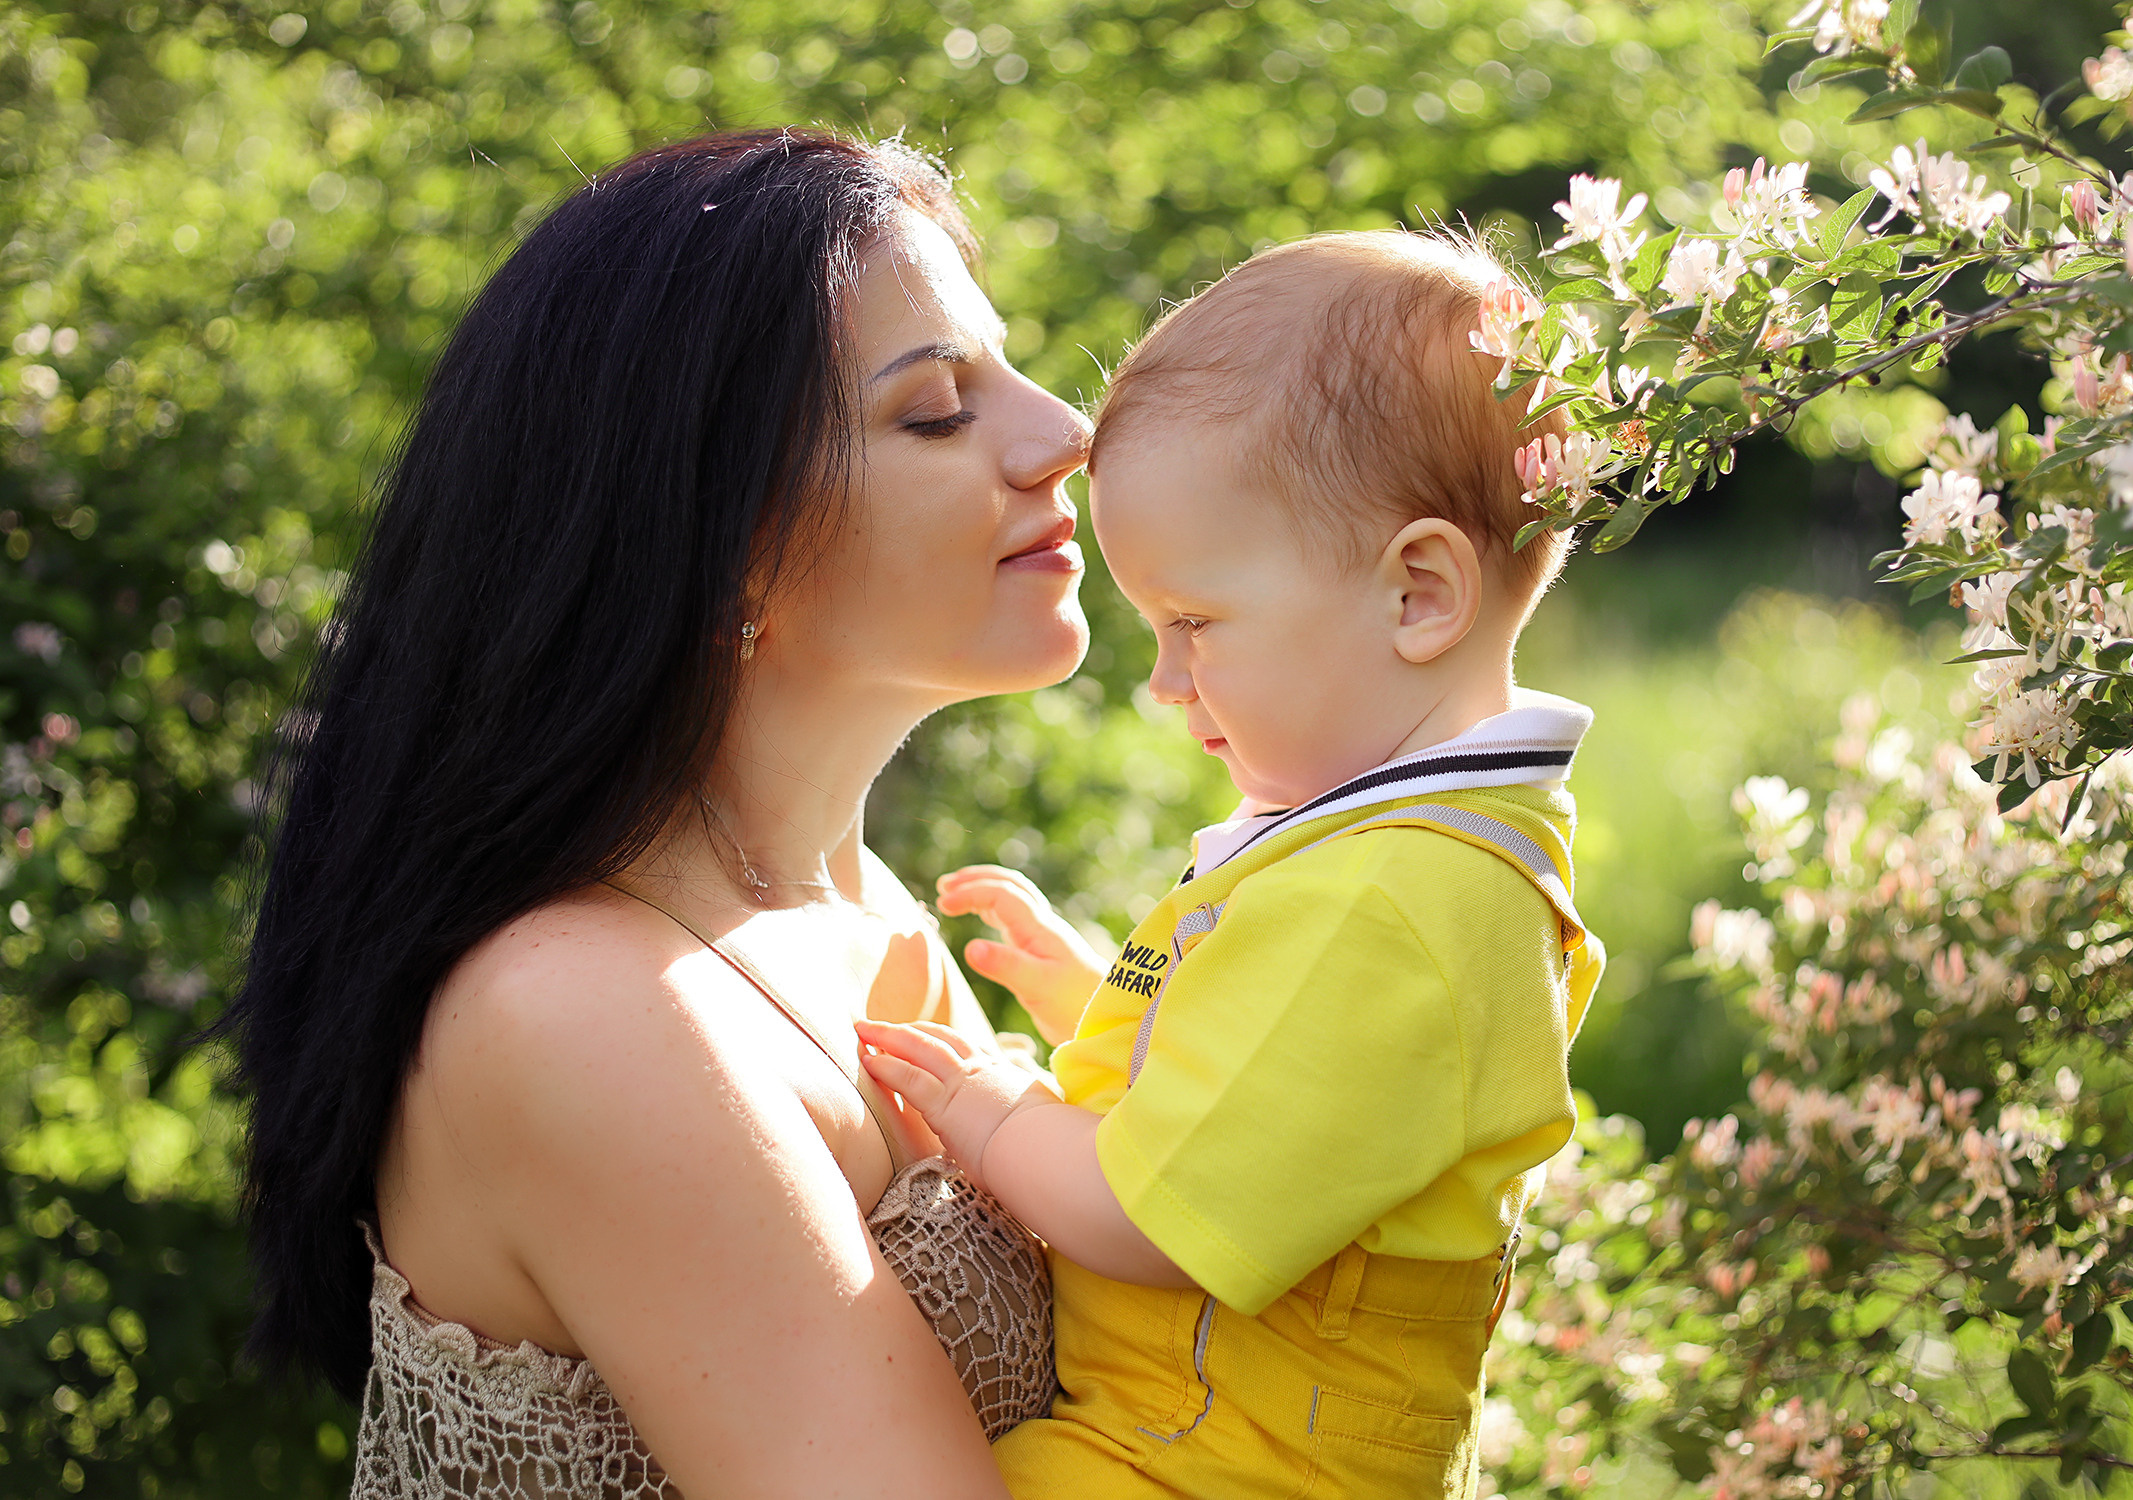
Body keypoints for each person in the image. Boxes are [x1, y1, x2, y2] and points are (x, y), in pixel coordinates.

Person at [225, 127, 1091, 1497]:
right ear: (717, 533)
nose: (1064, 435)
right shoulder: (587, 1012)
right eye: (935, 410)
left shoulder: (854, 910)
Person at [859, 229, 1606, 1498]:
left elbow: (1153, 1220)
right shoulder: (1401, 852)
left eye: (1193, 624)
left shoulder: (1398, 897)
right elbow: (1280, 1093)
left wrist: (994, 1109)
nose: (1162, 682)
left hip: (1200, 1468)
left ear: (1419, 593)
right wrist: (1113, 997)